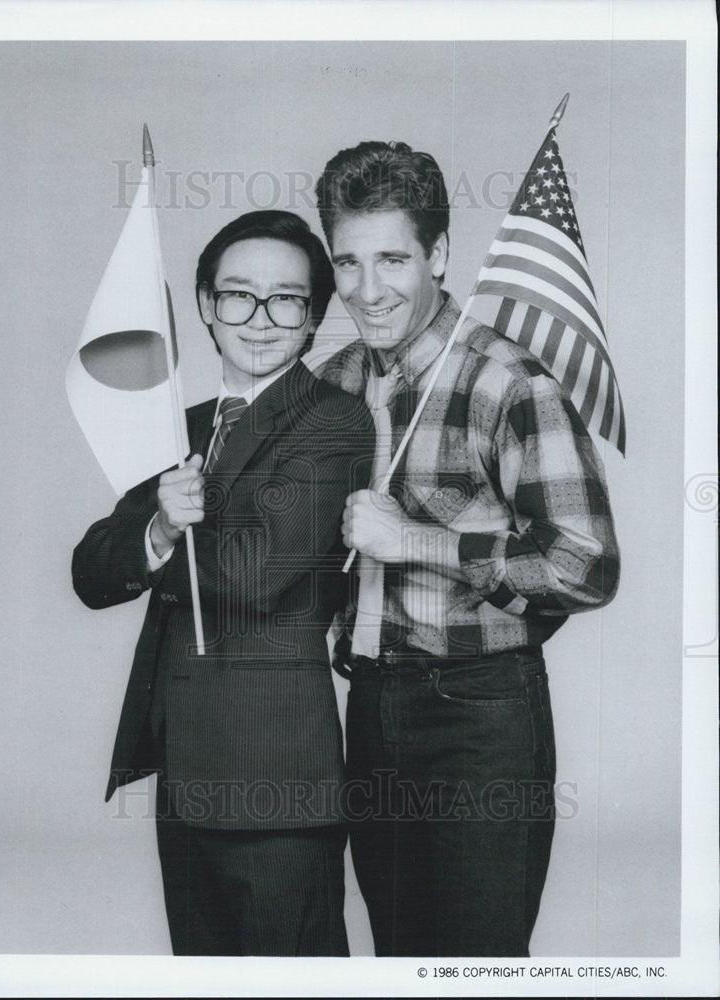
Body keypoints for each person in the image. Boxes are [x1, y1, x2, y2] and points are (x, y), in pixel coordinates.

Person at [314, 141, 620, 957]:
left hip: (478, 715)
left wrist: (414, 538)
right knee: (400, 958)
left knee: (474, 963)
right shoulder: (332, 383)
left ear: (438, 255)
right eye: (347, 262)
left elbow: (585, 567)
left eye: (392, 259)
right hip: (371, 707)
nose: (367, 289)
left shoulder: (507, 382)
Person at [72, 210, 374, 956]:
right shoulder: (181, 427)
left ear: (314, 317)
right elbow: (91, 570)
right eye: (238, 296)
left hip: (277, 782)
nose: (261, 320)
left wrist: (170, 536)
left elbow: (254, 574)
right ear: (206, 304)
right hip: (186, 773)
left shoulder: (333, 423)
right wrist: (154, 531)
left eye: (287, 300)